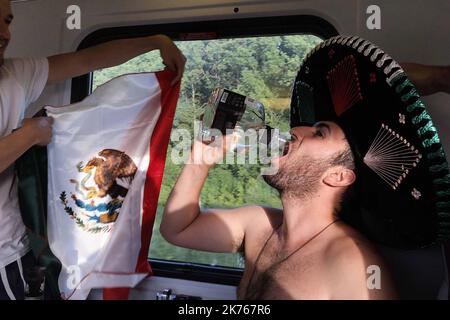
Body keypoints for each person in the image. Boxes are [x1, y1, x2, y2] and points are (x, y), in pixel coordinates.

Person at [160, 36, 450, 299]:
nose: (297, 129)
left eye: (320, 132)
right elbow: (178, 230)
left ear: (338, 176)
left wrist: (438, 78)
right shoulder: (258, 224)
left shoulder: (352, 264)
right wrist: (199, 161)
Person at [0, 0, 186, 300]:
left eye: (7, 21)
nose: (3, 32)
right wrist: (31, 134)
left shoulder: (15, 74)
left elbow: (88, 60)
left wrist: (155, 42)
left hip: (12, 249)